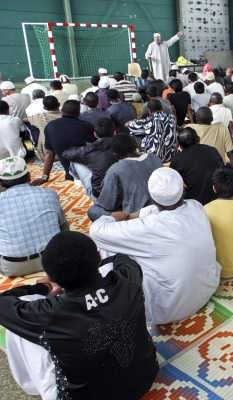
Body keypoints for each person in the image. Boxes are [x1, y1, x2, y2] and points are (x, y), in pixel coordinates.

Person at [0, 231, 159, 400]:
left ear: (54, 278)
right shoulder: (127, 279)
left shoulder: (48, 314)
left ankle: (32, 387)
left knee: (16, 326)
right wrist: (90, 265)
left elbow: (4, 303)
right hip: (144, 380)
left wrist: (44, 288)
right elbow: (121, 258)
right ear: (97, 257)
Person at [91, 167, 221, 326]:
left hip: (167, 311)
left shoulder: (148, 227)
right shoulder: (196, 206)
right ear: (182, 188)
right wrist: (137, 215)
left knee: (109, 245)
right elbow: (158, 211)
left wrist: (113, 218)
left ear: (152, 198)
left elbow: (97, 231)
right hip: (207, 291)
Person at [0, 157, 68, 277]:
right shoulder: (50, 193)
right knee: (62, 222)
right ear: (29, 176)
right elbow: (61, 223)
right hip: (54, 259)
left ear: (0, 183)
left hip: (13, 267)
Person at [87, 134, 163, 221]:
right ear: (135, 146)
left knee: (93, 211)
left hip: (137, 217)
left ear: (116, 154)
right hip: (162, 207)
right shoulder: (154, 157)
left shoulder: (116, 169)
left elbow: (106, 204)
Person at [185, 107, 233, 184]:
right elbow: (231, 154)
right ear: (212, 118)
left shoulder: (189, 128)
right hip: (218, 173)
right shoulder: (221, 126)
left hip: (196, 173)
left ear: (196, 119)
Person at [31, 100, 96, 185]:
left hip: (70, 175)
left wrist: (44, 177)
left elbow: (49, 154)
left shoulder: (50, 126)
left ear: (61, 111)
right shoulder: (88, 126)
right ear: (78, 113)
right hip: (92, 173)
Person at [62, 118, 119, 200]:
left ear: (95, 135)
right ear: (114, 133)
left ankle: (78, 181)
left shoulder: (89, 148)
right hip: (123, 193)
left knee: (74, 159)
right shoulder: (123, 145)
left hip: (100, 196)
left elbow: (66, 154)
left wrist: (81, 149)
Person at [170, 127, 223, 205]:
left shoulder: (176, 160)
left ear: (180, 146)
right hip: (223, 196)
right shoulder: (212, 150)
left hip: (198, 203)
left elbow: (172, 185)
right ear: (198, 138)